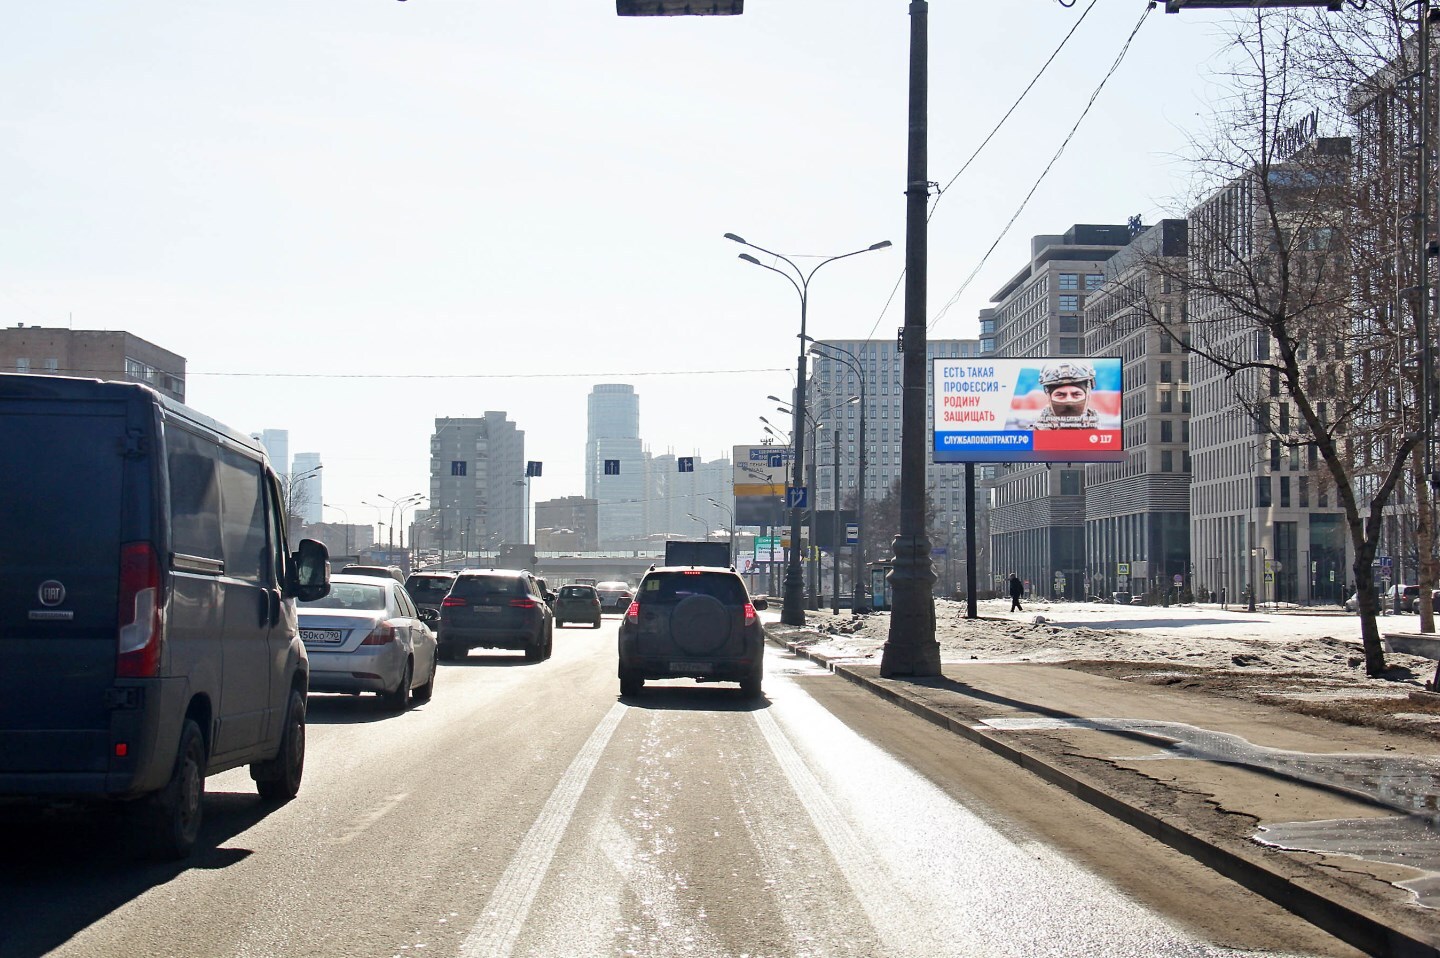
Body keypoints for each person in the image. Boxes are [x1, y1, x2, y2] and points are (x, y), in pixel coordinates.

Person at [1031, 361, 1101, 429]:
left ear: (1088, 396)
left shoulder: (1102, 436)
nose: (1069, 401)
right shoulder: (1032, 437)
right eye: (1060, 395)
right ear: (1049, 397)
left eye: (1076, 394)